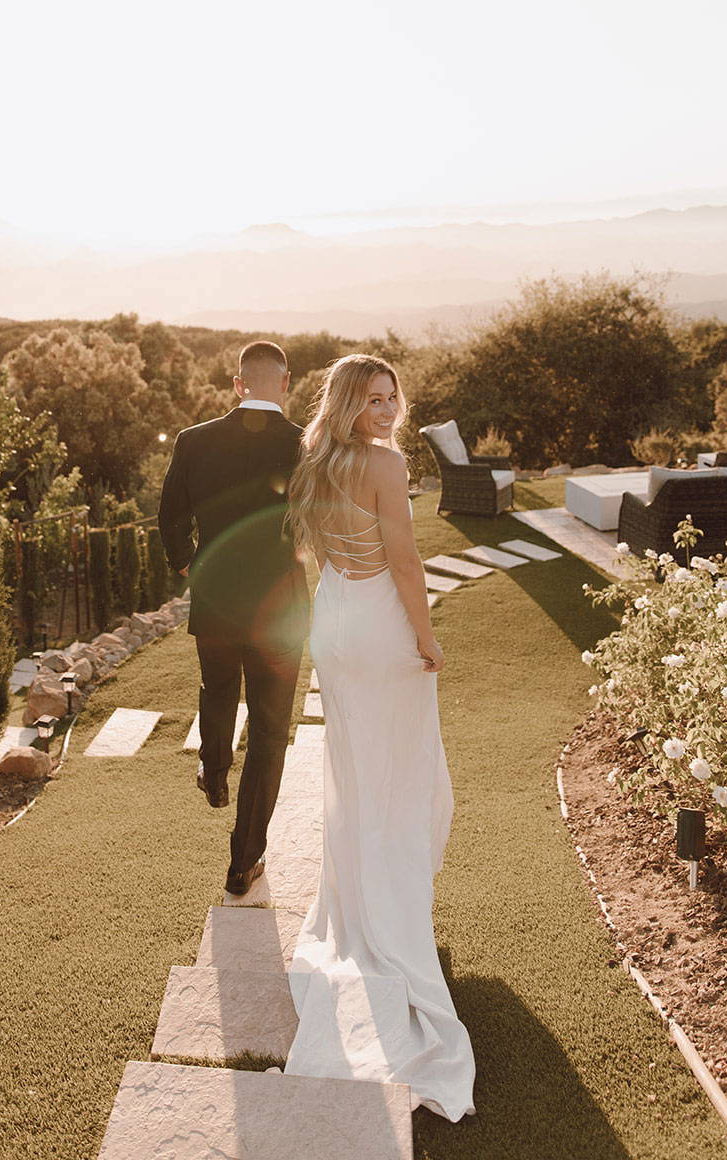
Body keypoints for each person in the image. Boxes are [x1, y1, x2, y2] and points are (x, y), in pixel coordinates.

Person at [283, 353, 476, 1122]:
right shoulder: (385, 465)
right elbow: (401, 557)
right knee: (395, 773)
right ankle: (387, 916)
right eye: (372, 399)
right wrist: (424, 638)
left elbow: (321, 556)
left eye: (392, 397)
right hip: (376, 626)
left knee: (355, 771)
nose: (387, 410)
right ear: (347, 404)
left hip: (333, 622)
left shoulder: (316, 460)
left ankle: (355, 905)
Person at [158, 340, 309, 897]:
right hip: (282, 608)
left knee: (217, 687)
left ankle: (215, 769)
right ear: (285, 383)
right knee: (270, 731)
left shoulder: (193, 441)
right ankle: (244, 861)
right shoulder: (304, 445)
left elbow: (170, 515)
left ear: (237, 383)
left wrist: (187, 565)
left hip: (217, 598)